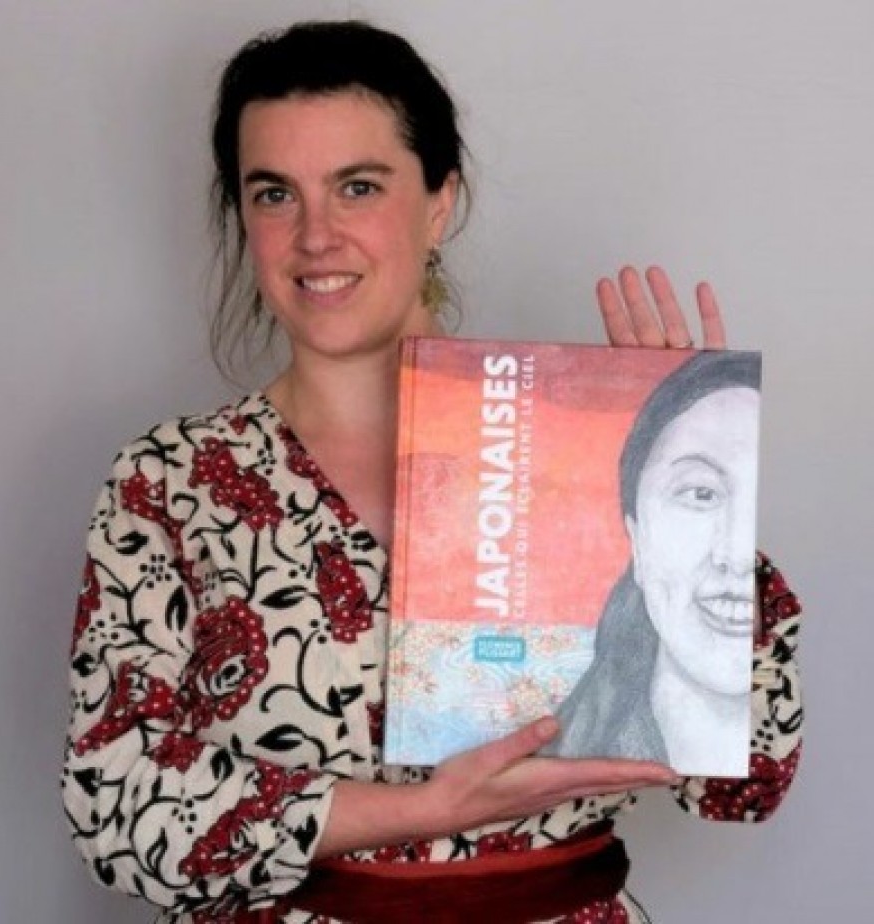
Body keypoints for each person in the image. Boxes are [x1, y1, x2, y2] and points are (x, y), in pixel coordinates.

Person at [62, 20, 803, 924]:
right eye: (274, 194)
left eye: (358, 186)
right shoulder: (170, 481)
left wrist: (693, 479)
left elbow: (747, 780)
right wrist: (421, 810)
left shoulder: (575, 448)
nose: (316, 236)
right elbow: (115, 808)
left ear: (439, 201)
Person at [546, 351, 765, 774]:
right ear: (636, 536)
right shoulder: (563, 749)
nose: (739, 554)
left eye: (759, 498)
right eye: (701, 493)